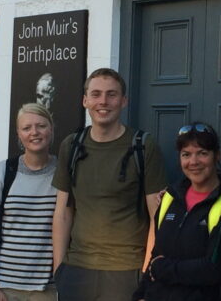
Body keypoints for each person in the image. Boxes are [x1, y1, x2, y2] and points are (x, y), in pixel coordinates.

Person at [52, 68, 167, 301]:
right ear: (85, 100)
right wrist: (59, 269)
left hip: (126, 271)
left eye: (111, 94)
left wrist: (146, 273)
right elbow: (63, 212)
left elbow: (158, 216)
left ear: (123, 101)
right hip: (77, 270)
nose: (103, 101)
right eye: (96, 94)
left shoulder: (143, 146)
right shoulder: (71, 145)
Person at [132, 123, 221, 301]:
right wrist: (140, 295)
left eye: (202, 153)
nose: (193, 162)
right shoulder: (170, 198)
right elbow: (156, 256)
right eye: (186, 154)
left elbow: (213, 269)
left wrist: (161, 268)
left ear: (217, 156)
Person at [0, 103, 58, 301]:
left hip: (49, 290)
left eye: (41, 126)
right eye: (26, 128)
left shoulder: (64, 172)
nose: (34, 132)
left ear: (51, 129)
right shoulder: (3, 172)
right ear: (19, 134)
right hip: (5, 289)